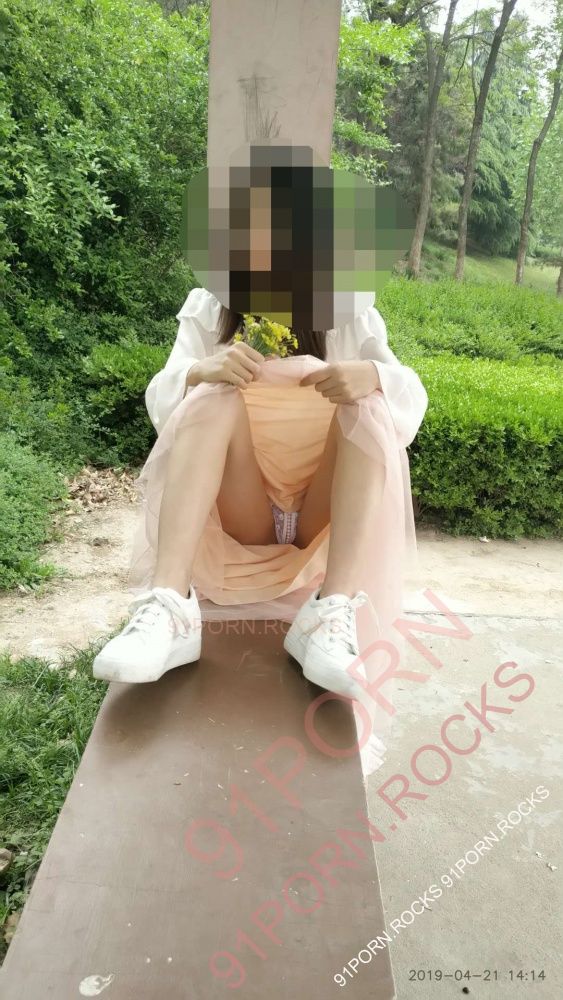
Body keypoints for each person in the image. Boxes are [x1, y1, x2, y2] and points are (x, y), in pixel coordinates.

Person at [92, 286, 428, 703]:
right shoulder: (210, 307)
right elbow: (165, 403)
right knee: (213, 394)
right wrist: (199, 371)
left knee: (368, 407)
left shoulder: (349, 313)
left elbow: (408, 405)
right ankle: (171, 606)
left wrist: (375, 375)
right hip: (243, 510)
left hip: (319, 524)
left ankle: (328, 612)